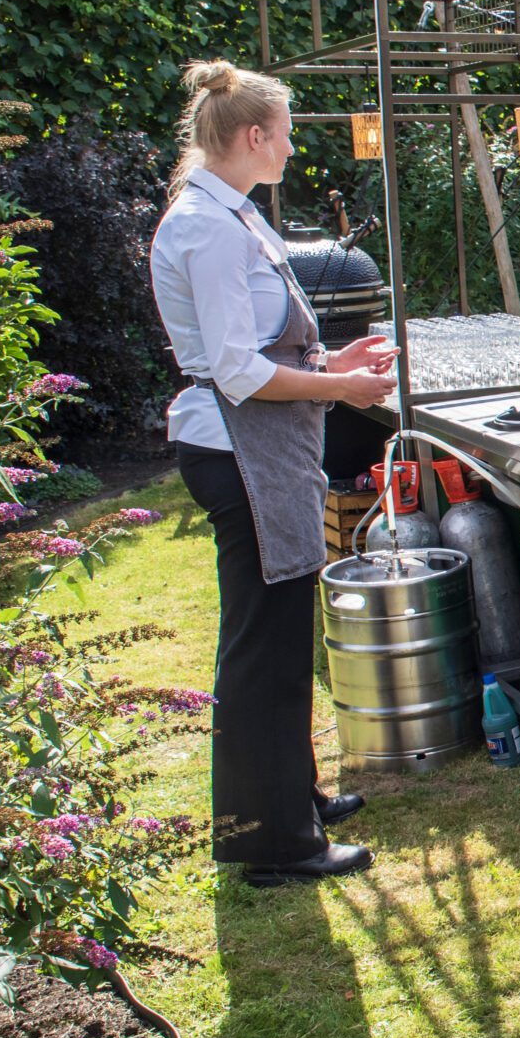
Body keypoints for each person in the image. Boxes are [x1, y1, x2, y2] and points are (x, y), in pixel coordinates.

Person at [150, 61, 398, 886]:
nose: (291, 146)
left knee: (285, 629)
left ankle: (297, 795)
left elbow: (267, 345)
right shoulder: (208, 228)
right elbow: (237, 369)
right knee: (262, 646)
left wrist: (335, 356)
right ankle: (273, 841)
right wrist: (343, 387)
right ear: (253, 137)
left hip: (261, 446)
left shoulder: (233, 216)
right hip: (237, 449)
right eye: (285, 133)